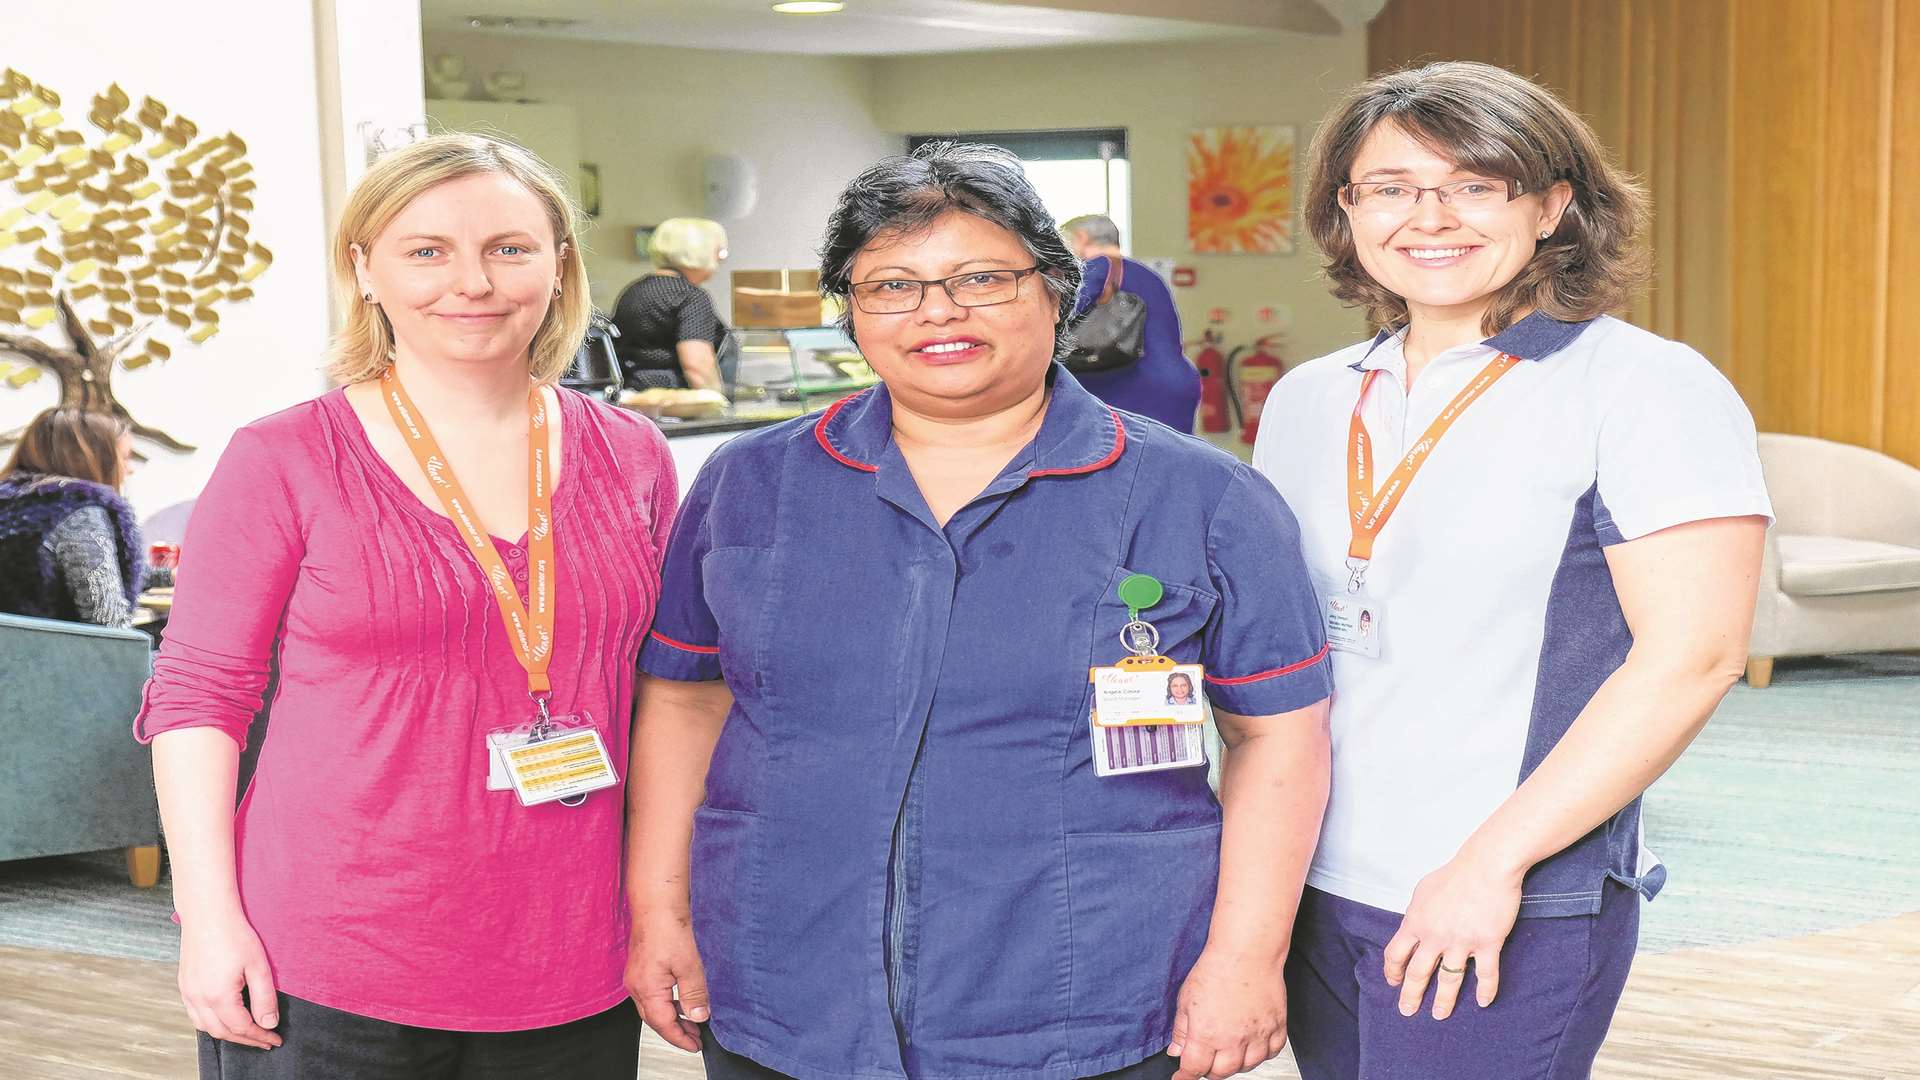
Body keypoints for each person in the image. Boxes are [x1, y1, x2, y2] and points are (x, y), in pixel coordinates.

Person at [626, 143, 1333, 1080]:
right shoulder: (752, 481)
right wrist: (658, 910)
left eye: (981, 278)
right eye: (891, 286)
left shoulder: (1202, 496)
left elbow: (1278, 736)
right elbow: (686, 699)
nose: (938, 313)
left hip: (1083, 993)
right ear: (850, 310)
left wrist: (1247, 957)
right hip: (787, 973)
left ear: (1056, 290)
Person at [1254, 61, 1772, 1080]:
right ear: (1345, 212)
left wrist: (1488, 867)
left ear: (1551, 207)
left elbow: (1695, 658)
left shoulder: (1643, 386)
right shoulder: (1310, 398)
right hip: (1317, 879)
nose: (1428, 216)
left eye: (1474, 184)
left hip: (1502, 886)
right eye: (1392, 187)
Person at [134, 133, 676, 1078]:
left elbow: (672, 694)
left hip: (569, 952)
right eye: (426, 251)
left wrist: (663, 905)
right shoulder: (285, 458)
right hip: (334, 958)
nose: (471, 281)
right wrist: (207, 919)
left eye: (509, 247)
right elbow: (196, 700)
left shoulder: (632, 454)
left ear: (559, 266)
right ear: (366, 271)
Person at [0, 407, 143, 627]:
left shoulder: (12, 503)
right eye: (124, 458)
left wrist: (166, 576)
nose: (130, 469)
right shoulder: (80, 513)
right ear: (91, 459)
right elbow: (109, 625)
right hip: (52, 657)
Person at [1061, 214, 1202, 433]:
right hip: (1174, 383)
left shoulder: (1098, 266)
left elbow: (1063, 313)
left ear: (1082, 237)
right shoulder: (1146, 274)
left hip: (1132, 387)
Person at [610, 216, 731, 390]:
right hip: (676, 398)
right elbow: (697, 365)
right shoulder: (690, 296)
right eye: (719, 252)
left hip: (634, 394)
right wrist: (718, 403)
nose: (720, 260)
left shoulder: (634, 291)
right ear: (700, 252)